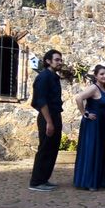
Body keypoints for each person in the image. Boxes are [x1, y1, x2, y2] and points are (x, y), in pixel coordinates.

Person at [73, 65, 105, 191]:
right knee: (91, 150)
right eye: (102, 74)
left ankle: (95, 179)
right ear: (96, 76)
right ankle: (88, 181)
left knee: (99, 150)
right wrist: (85, 113)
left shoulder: (104, 89)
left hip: (101, 123)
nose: (104, 76)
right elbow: (79, 98)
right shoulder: (94, 88)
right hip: (92, 123)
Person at [29, 49, 63, 192]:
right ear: (48, 61)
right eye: (57, 60)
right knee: (45, 148)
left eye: (61, 60)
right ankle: (36, 182)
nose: (60, 62)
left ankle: (44, 179)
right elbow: (41, 101)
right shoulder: (43, 77)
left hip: (55, 115)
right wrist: (49, 121)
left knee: (52, 148)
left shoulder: (54, 77)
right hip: (47, 116)